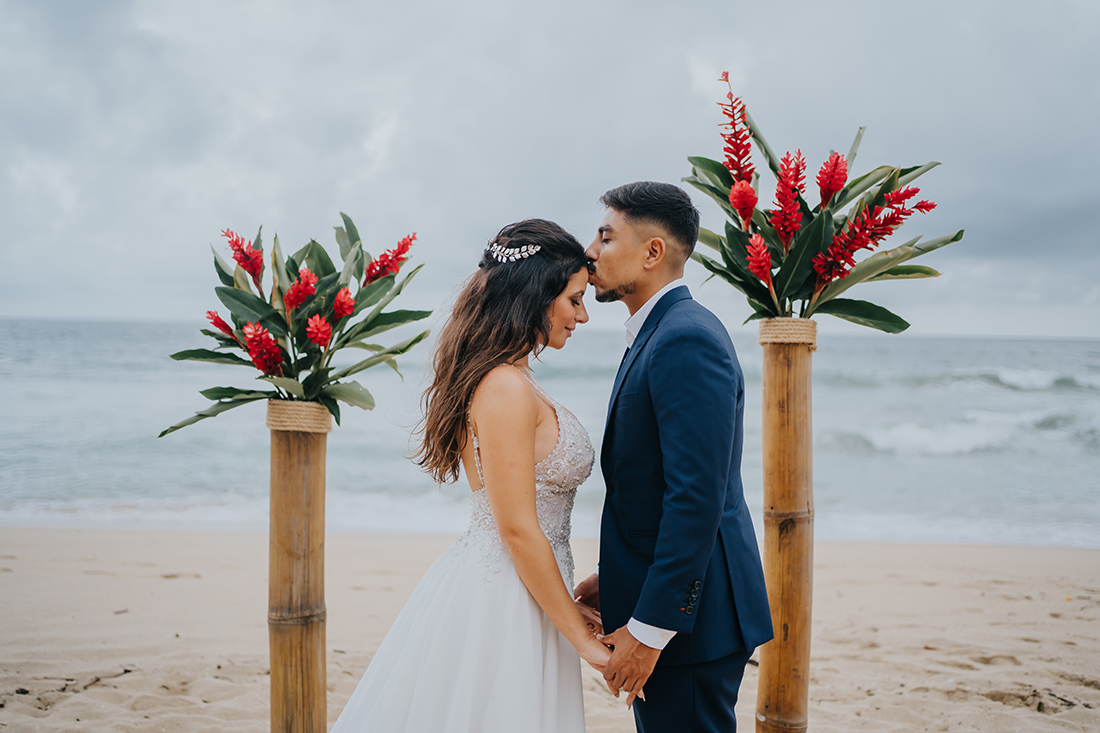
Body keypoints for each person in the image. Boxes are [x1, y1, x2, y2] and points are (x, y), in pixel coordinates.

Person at [329, 219, 608, 732]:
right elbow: (518, 527)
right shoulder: (504, 386)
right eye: (573, 299)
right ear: (534, 297)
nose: (583, 315)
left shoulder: (510, 376)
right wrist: (581, 637)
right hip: (503, 595)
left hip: (531, 590)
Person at [574, 182, 774, 732]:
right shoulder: (656, 333)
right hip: (673, 606)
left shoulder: (685, 339)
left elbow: (696, 497)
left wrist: (652, 627)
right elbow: (654, 486)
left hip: (691, 624)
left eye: (606, 236)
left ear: (653, 252)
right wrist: (615, 577)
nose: (589, 250)